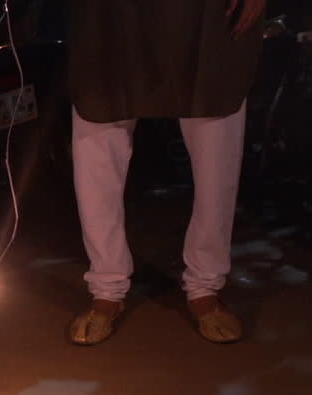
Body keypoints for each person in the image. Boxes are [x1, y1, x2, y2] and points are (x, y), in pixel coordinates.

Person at [65, 0, 265, 345]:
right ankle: (106, 286)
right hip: (105, 16)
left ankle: (205, 283)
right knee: (97, 140)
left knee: (217, 146)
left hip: (204, 14)